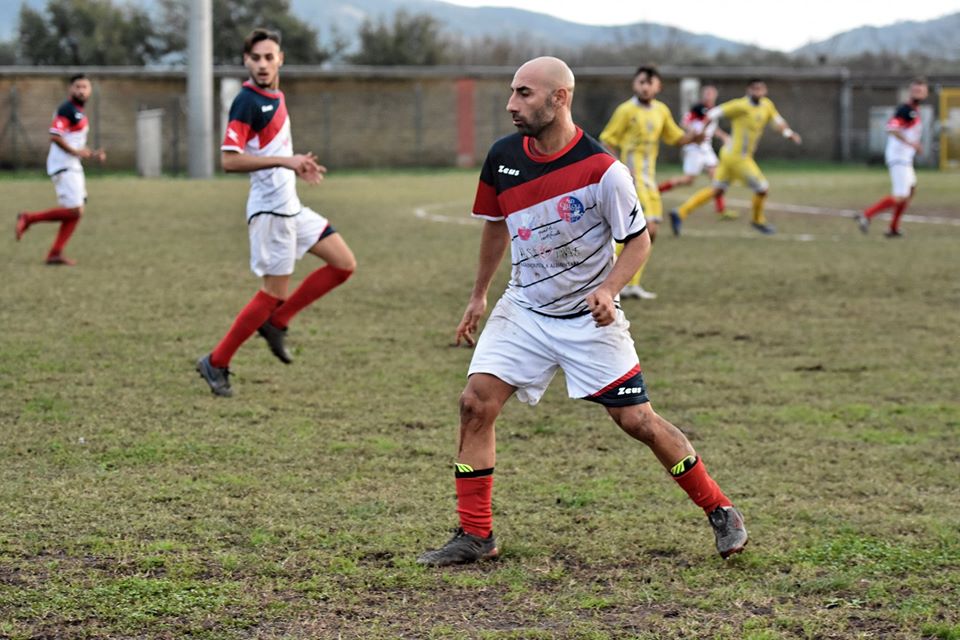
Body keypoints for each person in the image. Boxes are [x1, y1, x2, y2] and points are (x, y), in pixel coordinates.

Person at [417, 57, 747, 567]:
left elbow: (638, 242)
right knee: (475, 405)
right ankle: (475, 535)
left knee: (637, 421)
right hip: (524, 309)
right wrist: (479, 294)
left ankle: (719, 508)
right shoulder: (503, 156)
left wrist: (611, 289)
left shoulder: (603, 172)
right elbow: (494, 226)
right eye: (512, 92)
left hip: (588, 320)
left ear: (559, 98)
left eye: (525, 94)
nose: (511, 104)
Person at [196, 28, 356, 397]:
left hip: (291, 208)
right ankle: (217, 362)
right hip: (270, 213)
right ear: (246, 62)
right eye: (256, 58)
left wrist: (297, 167)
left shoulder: (276, 96)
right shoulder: (247, 101)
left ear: (280, 58)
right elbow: (228, 161)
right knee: (271, 294)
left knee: (343, 264)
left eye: (270, 57)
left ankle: (278, 323)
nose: (263, 64)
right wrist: (289, 161)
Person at [599, 66, 703, 300]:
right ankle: (610, 280)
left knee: (649, 234)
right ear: (634, 85)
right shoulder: (626, 110)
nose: (645, 87)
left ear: (658, 87)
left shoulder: (661, 111)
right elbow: (606, 140)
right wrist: (620, 167)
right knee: (645, 229)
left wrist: (694, 137)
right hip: (632, 181)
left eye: (650, 82)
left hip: (650, 181)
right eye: (641, 82)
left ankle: (630, 284)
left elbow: (676, 138)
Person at [669, 78, 802, 236]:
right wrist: (702, 131)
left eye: (760, 88)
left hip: (730, 155)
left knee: (717, 190)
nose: (757, 91)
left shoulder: (767, 105)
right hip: (738, 158)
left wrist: (789, 134)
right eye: (754, 88)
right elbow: (713, 113)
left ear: (765, 90)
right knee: (762, 189)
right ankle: (758, 220)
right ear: (748, 90)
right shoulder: (740, 105)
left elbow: (777, 122)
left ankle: (680, 212)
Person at [15, 74, 105, 265]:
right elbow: (55, 135)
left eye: (84, 87)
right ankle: (28, 218)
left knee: (76, 211)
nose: (81, 90)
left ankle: (55, 253)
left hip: (72, 164)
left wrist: (91, 153)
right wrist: (76, 152)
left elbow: (74, 141)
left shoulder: (78, 111)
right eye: (77, 86)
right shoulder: (67, 109)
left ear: (90, 90)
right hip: (63, 165)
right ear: (70, 89)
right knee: (75, 211)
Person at [856, 78, 929, 238]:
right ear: (911, 91)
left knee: (910, 190)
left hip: (905, 159)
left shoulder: (914, 111)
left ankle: (893, 228)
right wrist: (912, 144)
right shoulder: (905, 110)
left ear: (926, 93)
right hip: (898, 158)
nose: (918, 93)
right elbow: (891, 128)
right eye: (915, 90)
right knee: (900, 195)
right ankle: (866, 215)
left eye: (921, 90)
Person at [657, 83, 732, 219]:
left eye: (711, 93)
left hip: (706, 148)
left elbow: (713, 128)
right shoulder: (698, 109)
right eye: (707, 93)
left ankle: (721, 210)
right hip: (694, 148)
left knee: (717, 177)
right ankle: (656, 192)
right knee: (687, 180)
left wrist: (723, 136)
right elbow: (684, 122)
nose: (709, 95)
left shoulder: (713, 110)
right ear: (703, 95)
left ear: (716, 95)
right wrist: (691, 131)